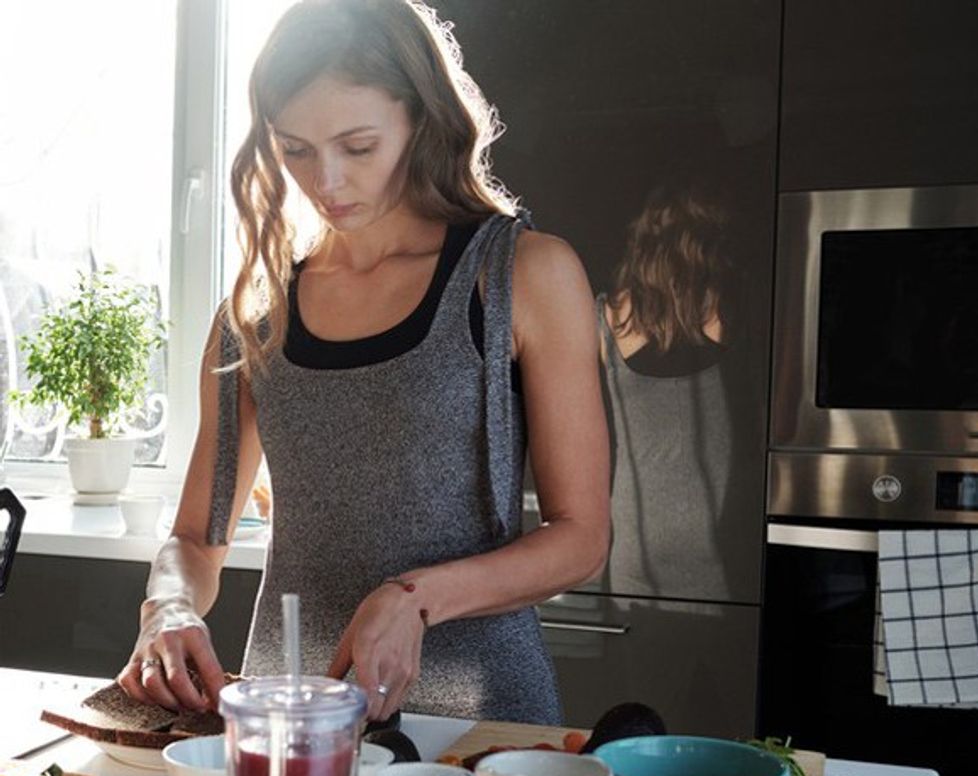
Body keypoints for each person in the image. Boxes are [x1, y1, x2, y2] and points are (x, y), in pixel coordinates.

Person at [116, 0, 609, 724]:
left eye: (358, 145)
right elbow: (195, 539)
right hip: (291, 722)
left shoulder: (519, 275)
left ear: (420, 118)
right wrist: (168, 606)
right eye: (296, 150)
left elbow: (581, 537)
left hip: (479, 724)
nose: (328, 183)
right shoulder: (257, 309)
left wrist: (412, 598)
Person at [598, 184, 733, 601]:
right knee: (724, 664)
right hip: (718, 533)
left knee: (644, 664)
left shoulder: (607, 314)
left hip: (636, 534)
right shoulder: (723, 309)